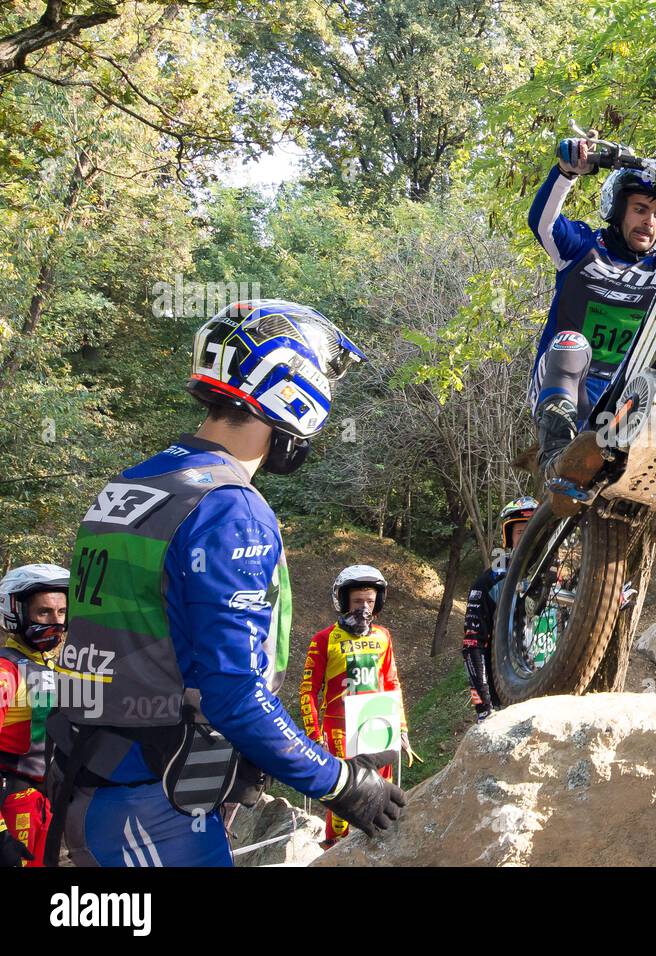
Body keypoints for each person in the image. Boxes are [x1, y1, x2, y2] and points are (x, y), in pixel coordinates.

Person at [47, 300, 403, 867]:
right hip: (156, 805)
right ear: (296, 393)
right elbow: (233, 691)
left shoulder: (136, 482)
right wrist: (341, 783)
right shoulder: (229, 508)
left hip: (95, 777)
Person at [527, 136, 656, 534]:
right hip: (567, 381)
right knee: (572, 344)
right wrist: (566, 173)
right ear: (617, 211)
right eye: (639, 209)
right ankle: (555, 459)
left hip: (626, 394)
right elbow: (542, 223)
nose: (648, 221)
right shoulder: (581, 246)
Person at [300, 565, 412, 849]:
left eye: (370, 602)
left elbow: (392, 682)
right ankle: (334, 849)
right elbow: (308, 692)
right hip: (339, 728)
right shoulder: (323, 640)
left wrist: (401, 727)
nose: (364, 608)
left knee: (380, 794)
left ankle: (378, 849)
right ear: (343, 601)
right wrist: (314, 735)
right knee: (343, 797)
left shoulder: (383, 636)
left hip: (378, 723)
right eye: (358, 601)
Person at [0, 564, 68, 867]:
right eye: (44, 613)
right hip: (13, 803)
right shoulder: (6, 671)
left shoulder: (53, 667)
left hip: (46, 803)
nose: (55, 622)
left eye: (61, 612)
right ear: (17, 612)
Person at [462, 497, 537, 722]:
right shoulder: (490, 581)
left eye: (535, 532)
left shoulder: (562, 576)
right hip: (506, 697)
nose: (528, 540)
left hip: (554, 688)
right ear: (508, 538)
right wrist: (484, 707)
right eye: (521, 533)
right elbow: (472, 645)